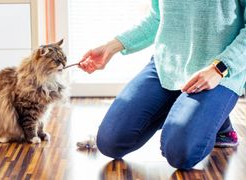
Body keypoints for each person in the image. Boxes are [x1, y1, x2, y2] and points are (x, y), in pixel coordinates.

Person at [78, 0, 246, 170]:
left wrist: (220, 68)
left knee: (179, 152)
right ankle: (201, 114)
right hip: (167, 66)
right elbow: (158, 19)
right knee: (110, 142)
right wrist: (111, 47)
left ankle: (219, 126)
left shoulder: (220, 69)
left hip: (218, 71)